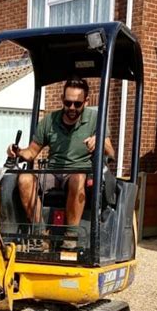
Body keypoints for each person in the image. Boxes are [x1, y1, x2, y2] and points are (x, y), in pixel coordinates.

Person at [7, 77, 115, 249]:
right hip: (52, 171)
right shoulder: (50, 120)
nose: (71, 108)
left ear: (86, 101)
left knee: (78, 178)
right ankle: (41, 235)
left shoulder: (95, 119)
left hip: (77, 173)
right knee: (24, 178)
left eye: (77, 104)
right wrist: (18, 152)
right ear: (62, 100)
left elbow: (111, 152)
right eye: (68, 102)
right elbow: (32, 152)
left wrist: (99, 141)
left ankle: (71, 236)